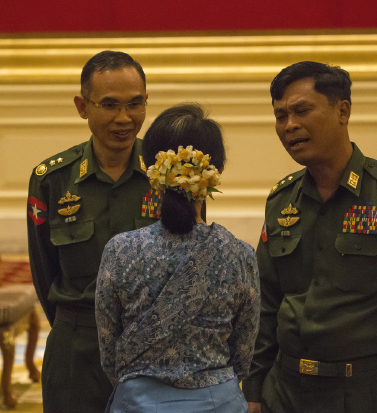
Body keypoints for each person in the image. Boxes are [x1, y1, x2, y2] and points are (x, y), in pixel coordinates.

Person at [242, 61, 377, 413]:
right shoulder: (281, 201)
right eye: (280, 116)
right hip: (284, 391)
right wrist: (254, 390)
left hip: (368, 393)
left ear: (343, 111)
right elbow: (266, 304)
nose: (290, 125)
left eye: (302, 111)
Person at [96, 103, 260, 413]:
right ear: (217, 172)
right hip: (219, 402)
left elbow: (109, 352)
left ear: (150, 169)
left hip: (138, 403)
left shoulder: (121, 250)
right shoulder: (239, 254)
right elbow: (243, 353)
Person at [26, 50, 159, 413]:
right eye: (110, 105)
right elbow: (43, 270)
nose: (124, 118)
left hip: (156, 346)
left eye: (136, 104)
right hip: (77, 350)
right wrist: (77, 326)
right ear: (82, 106)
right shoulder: (51, 180)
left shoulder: (170, 173)